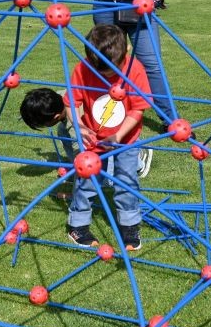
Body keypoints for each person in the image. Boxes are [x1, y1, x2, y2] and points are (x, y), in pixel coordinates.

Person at [63, 24, 152, 250]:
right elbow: (72, 102)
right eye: (101, 72)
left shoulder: (135, 70)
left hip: (127, 138)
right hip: (94, 139)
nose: (107, 76)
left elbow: (138, 109)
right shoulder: (83, 69)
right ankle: (78, 225)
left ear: (126, 52)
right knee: (87, 180)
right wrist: (80, 126)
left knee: (127, 180)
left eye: (113, 70)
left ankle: (130, 226)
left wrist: (118, 136)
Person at [20, 88, 153, 178]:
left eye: (43, 124)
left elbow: (82, 151)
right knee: (62, 130)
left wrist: (82, 173)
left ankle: (138, 158)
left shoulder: (75, 127)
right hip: (105, 124)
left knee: (109, 179)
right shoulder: (58, 96)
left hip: (116, 133)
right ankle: (76, 165)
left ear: (55, 117)